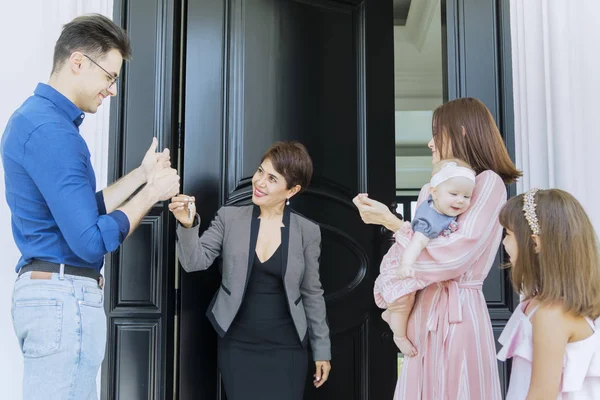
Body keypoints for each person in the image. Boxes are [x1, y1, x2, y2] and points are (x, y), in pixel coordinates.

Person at [1, 14, 180, 400]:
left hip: (54, 296)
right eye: (109, 77)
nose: (112, 90)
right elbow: (88, 240)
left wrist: (141, 176)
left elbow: (79, 213)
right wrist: (152, 195)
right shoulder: (53, 131)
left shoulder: (38, 121)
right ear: (78, 61)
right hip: (63, 298)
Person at [352, 97, 521, 399]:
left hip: (459, 313)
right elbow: (408, 256)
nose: (430, 143)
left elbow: (453, 257)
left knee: (458, 387)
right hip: (424, 308)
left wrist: (392, 222)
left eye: (437, 133)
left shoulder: (488, 184)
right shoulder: (431, 191)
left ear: (462, 133)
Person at [170, 141, 331, 400]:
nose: (259, 182)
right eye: (260, 171)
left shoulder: (308, 232)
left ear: (292, 190)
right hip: (238, 344)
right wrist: (188, 226)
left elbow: (312, 292)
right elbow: (194, 262)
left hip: (288, 347)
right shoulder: (229, 218)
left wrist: (322, 349)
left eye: (272, 178)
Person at [497, 189, 600, 399]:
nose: (504, 243)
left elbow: (541, 395)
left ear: (535, 243)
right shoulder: (536, 303)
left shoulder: (553, 314)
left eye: (507, 234)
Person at [372, 159, 476, 356]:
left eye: (466, 196)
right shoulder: (430, 219)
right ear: (434, 193)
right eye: (453, 194)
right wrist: (406, 265)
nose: (460, 200)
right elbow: (417, 243)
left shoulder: (444, 210)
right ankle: (399, 336)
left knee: (405, 303)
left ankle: (391, 315)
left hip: (416, 266)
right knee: (403, 302)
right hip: (404, 267)